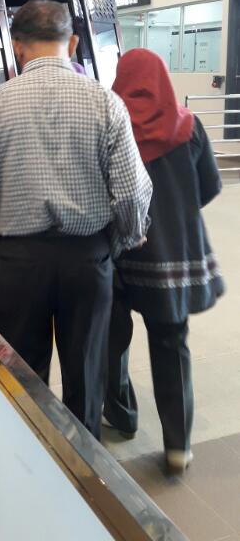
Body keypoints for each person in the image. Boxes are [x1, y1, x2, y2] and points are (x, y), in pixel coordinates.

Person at [0, 0, 152, 439]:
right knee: (87, 373)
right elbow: (133, 190)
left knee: (22, 376)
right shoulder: (105, 102)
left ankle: (28, 463)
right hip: (87, 259)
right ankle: (83, 477)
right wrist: (120, 240)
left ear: (17, 47)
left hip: (20, 261)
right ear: (74, 42)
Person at [103, 48, 224, 474]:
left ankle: (122, 416)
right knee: (171, 346)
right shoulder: (188, 127)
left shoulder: (112, 127)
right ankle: (178, 447)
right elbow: (209, 187)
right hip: (175, 258)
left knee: (110, 341)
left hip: (120, 256)